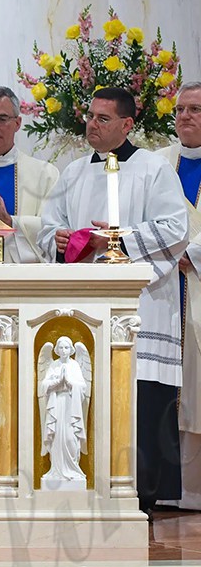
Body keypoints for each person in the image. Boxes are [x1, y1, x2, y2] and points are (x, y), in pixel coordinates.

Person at [38, 87, 189, 518]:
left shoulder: (153, 169)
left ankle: (142, 496)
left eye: (104, 118)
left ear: (127, 124)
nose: (92, 124)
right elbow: (52, 227)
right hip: (87, 304)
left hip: (143, 303)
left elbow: (175, 226)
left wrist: (117, 240)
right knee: (88, 396)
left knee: (141, 403)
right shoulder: (72, 173)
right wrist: (60, 239)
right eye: (90, 116)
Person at [156, 81, 201, 508]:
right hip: (165, 287)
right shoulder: (157, 163)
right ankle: (170, 489)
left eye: (195, 109)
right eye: (181, 109)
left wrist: (193, 250)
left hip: (197, 281)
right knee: (167, 385)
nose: (185, 116)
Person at [0, 86, 59, 262]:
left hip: (25, 281)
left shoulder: (44, 174)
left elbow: (52, 230)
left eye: (2, 119)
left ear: (18, 123)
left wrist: (11, 222)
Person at [38, 336, 91, 484]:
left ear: (71, 349)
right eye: (60, 347)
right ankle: (56, 470)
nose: (63, 350)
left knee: (70, 437)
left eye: (66, 347)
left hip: (71, 406)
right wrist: (56, 382)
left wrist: (69, 383)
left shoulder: (74, 365)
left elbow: (83, 387)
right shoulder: (53, 365)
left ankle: (73, 469)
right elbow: (43, 386)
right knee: (56, 437)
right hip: (56, 406)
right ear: (56, 349)